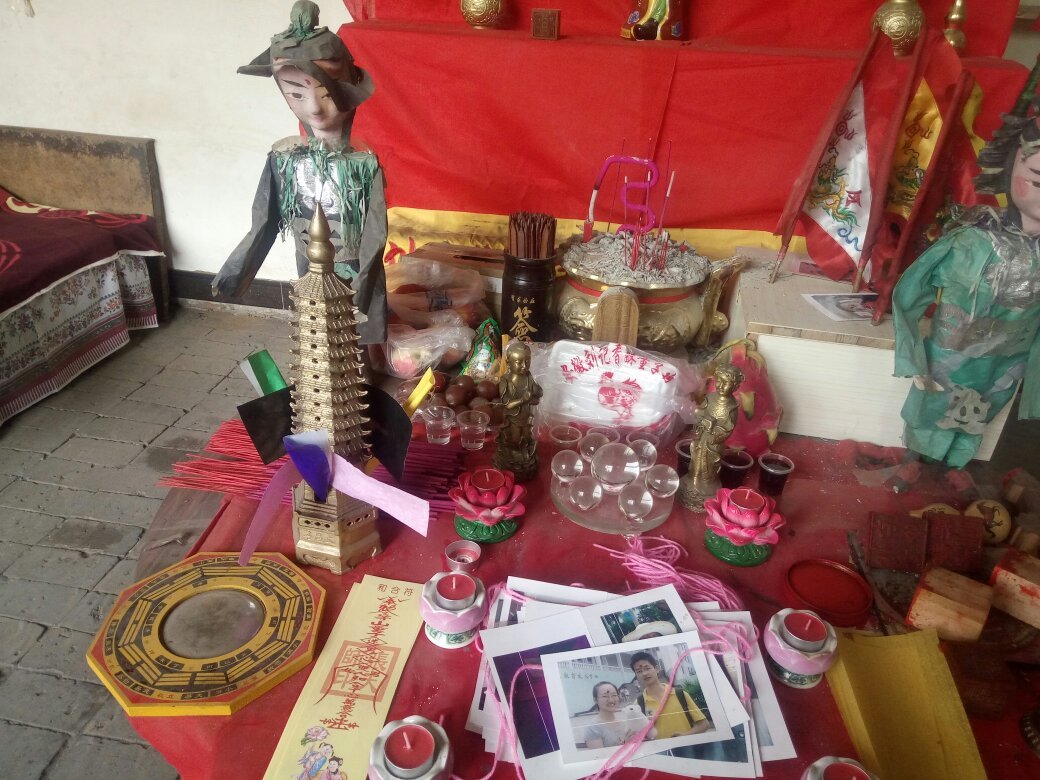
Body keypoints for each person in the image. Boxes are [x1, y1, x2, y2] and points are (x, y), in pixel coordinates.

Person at [212, 1, 388, 346]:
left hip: (355, 268)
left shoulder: (363, 163)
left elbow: (375, 233)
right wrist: (236, 271)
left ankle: (364, 364)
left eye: (325, 93)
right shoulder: (284, 159)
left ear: (347, 91)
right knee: (316, 333)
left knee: (356, 342)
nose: (314, 108)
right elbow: (264, 221)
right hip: (307, 263)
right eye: (295, 93)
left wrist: (364, 285)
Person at [892, 82, 1040, 468]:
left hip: (1007, 365)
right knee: (931, 410)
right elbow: (909, 293)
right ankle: (914, 464)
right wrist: (910, 354)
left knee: (981, 416)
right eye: (1038, 179)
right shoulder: (969, 241)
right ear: (1009, 168)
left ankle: (955, 467)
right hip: (948, 358)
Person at [629, 651, 712, 738]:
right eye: (639, 671)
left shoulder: (680, 694)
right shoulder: (637, 705)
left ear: (656, 669)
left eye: (647, 668)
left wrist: (685, 735)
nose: (644, 673)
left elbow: (704, 724)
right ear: (636, 675)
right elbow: (637, 735)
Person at [582, 681, 656, 749]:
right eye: (605, 696)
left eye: (614, 695)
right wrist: (626, 744)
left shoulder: (625, 720)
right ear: (595, 700)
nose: (611, 700)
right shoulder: (593, 728)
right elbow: (599, 757)